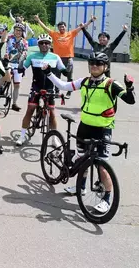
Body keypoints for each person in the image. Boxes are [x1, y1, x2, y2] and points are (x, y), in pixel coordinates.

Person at [43, 52, 135, 213]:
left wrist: (129, 86)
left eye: (98, 63)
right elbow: (64, 86)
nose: (94, 66)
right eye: (92, 63)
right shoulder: (84, 82)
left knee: (102, 166)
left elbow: (130, 100)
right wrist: (49, 73)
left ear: (105, 67)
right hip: (84, 127)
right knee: (82, 159)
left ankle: (106, 199)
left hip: (103, 130)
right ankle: (81, 187)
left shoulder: (111, 84)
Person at [16, 34, 66, 146]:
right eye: (41, 43)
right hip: (36, 87)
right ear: (38, 45)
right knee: (30, 109)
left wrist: (68, 71)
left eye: (46, 43)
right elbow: (21, 70)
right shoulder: (32, 56)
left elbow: (64, 70)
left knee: (52, 113)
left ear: (50, 45)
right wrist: (21, 61)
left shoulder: (55, 57)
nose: (44, 45)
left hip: (50, 88)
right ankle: (22, 136)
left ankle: (54, 139)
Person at [35, 14, 93, 97]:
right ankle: (57, 91)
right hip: (58, 59)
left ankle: (69, 92)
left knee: (69, 75)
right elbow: (45, 28)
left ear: (65, 27)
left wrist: (90, 21)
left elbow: (81, 27)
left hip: (68, 58)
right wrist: (38, 20)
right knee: (57, 75)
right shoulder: (54, 34)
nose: (61, 28)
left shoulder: (71, 33)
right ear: (58, 28)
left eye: (63, 27)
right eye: (60, 27)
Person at [5, 23, 29, 111]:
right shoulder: (9, 38)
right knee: (4, 78)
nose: (18, 32)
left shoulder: (25, 42)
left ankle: (14, 103)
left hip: (18, 64)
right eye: (16, 30)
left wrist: (23, 57)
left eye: (20, 31)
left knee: (17, 85)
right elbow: (5, 46)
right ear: (14, 30)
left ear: (22, 32)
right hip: (8, 62)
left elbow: (25, 52)